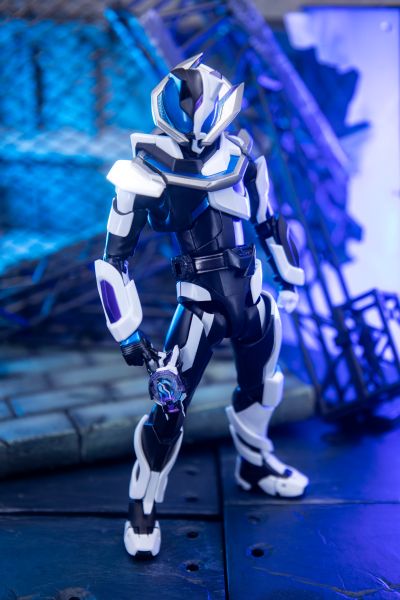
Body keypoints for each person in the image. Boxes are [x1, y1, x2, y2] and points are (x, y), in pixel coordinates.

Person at [95, 54, 308, 558]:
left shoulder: (241, 153)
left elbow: (268, 221)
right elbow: (114, 259)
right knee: (169, 409)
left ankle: (254, 464)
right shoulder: (145, 168)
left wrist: (290, 276)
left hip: (252, 296)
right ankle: (143, 507)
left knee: (264, 387)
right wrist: (127, 332)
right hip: (198, 307)